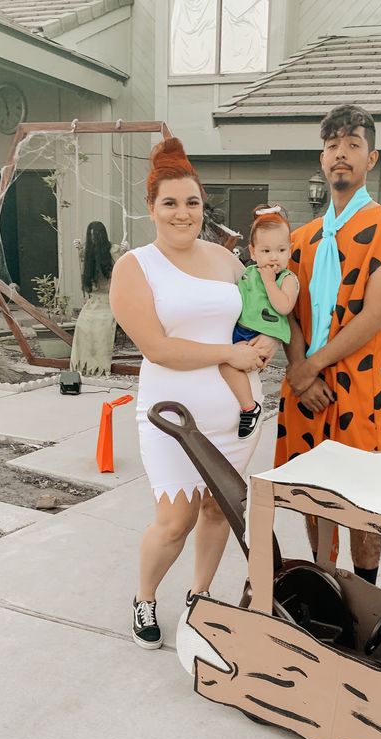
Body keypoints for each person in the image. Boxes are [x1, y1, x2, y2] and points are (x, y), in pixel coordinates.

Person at [109, 138, 271, 650]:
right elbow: (158, 348)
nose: (183, 213)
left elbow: (260, 316)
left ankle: (198, 598)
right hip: (170, 416)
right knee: (175, 517)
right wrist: (228, 355)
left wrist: (265, 341)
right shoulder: (135, 267)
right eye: (171, 203)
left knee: (219, 509)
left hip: (236, 413)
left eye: (193, 202)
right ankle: (145, 597)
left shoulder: (228, 261)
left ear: (204, 206)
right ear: (151, 208)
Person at [277, 104, 381, 584]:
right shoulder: (301, 239)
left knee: (360, 499)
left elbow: (373, 318)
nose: (341, 154)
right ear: (322, 158)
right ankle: (325, 588)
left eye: (353, 145)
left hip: (361, 386)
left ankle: (364, 598)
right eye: (333, 145)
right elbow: (288, 313)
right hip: (305, 385)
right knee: (309, 493)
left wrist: (306, 368)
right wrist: (300, 373)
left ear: (371, 159)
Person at [220, 204, 299, 438]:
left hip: (261, 335)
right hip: (240, 330)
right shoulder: (247, 273)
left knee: (228, 365)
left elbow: (284, 306)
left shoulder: (287, 279)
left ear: (290, 251)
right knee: (222, 362)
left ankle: (249, 408)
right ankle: (238, 406)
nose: (274, 257)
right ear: (253, 252)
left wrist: (269, 281)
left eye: (281, 250)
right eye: (266, 251)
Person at [70, 221, 121, 376]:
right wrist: (79, 249)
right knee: (82, 326)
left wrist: (126, 251)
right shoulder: (88, 252)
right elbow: (83, 264)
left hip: (109, 300)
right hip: (93, 300)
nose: (93, 239)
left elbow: (123, 267)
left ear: (102, 235)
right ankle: (82, 364)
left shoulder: (114, 250)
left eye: (96, 235)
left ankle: (99, 366)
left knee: (102, 329)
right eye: (90, 235)